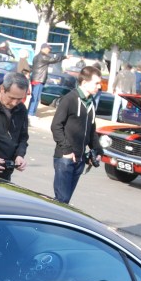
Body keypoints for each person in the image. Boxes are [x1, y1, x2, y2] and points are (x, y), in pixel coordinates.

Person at [50, 66, 103, 203]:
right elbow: (56, 126)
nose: (99, 86)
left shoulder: (91, 103)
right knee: (62, 201)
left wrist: (97, 149)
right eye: (96, 83)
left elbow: (91, 129)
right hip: (65, 158)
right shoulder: (69, 99)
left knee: (65, 202)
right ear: (84, 83)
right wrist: (66, 150)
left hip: (79, 159)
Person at [28, 44, 66, 116]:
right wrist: (64, 57)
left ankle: (30, 112)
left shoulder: (36, 56)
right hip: (38, 79)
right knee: (35, 97)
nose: (49, 50)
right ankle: (31, 113)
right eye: (48, 49)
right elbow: (54, 60)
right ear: (43, 48)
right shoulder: (43, 56)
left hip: (36, 78)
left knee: (34, 97)